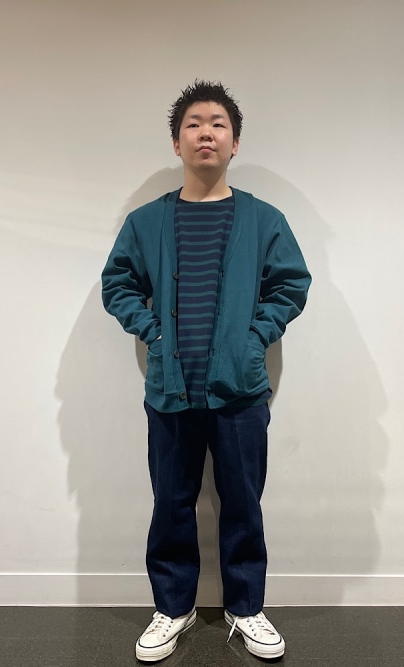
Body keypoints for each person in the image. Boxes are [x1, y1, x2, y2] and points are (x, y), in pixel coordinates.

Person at [101, 80, 311, 662]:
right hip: (170, 392)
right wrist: (153, 331)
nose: (206, 133)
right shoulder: (146, 222)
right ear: (177, 143)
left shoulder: (264, 219)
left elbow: (291, 285)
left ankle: (246, 607)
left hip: (240, 392)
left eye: (218, 124)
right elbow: (117, 284)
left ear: (235, 142)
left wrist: (255, 338)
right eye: (193, 124)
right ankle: (174, 607)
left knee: (242, 502)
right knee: (171, 504)